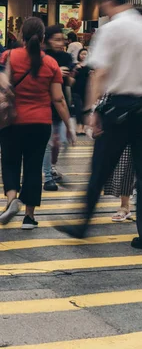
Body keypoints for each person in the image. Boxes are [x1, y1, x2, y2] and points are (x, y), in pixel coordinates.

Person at [54, 0, 142, 252]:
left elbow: (100, 73)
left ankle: (82, 224)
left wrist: (92, 111)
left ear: (107, 2)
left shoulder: (112, 29)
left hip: (118, 108)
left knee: (100, 169)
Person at [0, 17, 73, 229]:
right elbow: (58, 99)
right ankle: (29, 217)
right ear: (43, 38)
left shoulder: (8, 56)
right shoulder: (51, 64)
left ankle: (12, 200)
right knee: (33, 166)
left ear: (21, 35)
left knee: (10, 162)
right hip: (40, 122)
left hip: (11, 120)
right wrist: (69, 125)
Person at [42, 25, 74, 192]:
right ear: (47, 40)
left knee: (58, 141)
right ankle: (48, 176)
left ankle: (51, 167)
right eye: (56, 39)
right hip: (46, 103)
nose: (60, 43)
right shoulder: (43, 57)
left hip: (61, 103)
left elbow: (70, 83)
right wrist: (55, 72)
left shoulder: (67, 57)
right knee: (50, 142)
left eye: (62, 39)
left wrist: (71, 76)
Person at [72, 48, 90, 135]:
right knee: (78, 108)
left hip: (86, 90)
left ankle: (83, 127)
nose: (83, 56)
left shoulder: (90, 66)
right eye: (82, 54)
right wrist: (75, 69)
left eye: (85, 54)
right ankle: (78, 127)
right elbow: (71, 77)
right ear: (79, 55)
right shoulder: (75, 65)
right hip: (76, 90)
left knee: (85, 109)